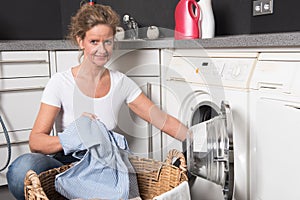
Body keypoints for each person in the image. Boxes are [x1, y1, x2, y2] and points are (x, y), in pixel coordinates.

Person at [6, 3, 188, 200]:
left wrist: (198, 140)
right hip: (67, 166)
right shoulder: (61, 82)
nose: (102, 49)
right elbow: (36, 142)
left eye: (107, 42)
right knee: (20, 171)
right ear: (80, 41)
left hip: (105, 169)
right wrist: (76, 136)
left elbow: (162, 120)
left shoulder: (121, 83)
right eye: (94, 41)